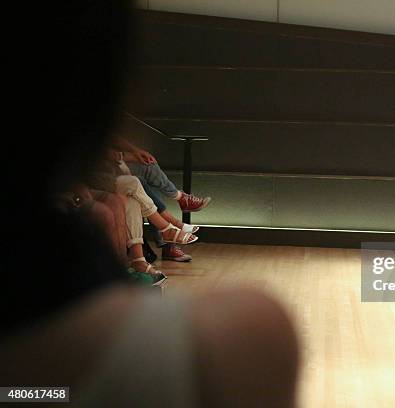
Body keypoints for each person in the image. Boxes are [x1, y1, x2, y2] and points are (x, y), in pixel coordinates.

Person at [1, 1, 300, 406]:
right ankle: (169, 227)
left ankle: (167, 229)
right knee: (128, 189)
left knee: (130, 188)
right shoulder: (248, 333)